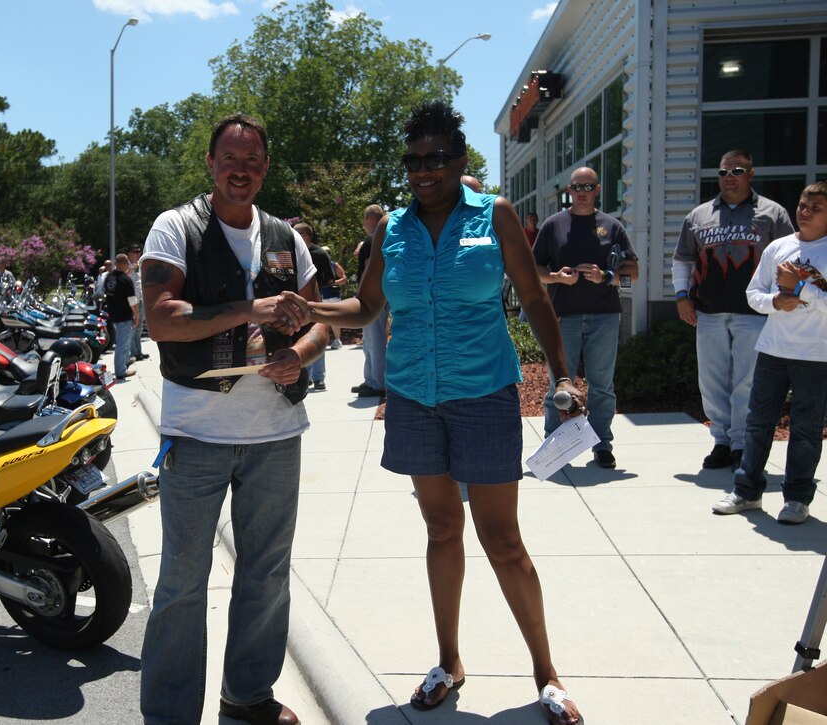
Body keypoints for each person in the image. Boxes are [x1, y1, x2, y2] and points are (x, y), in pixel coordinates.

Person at [282, 101, 583, 724]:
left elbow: (532, 297)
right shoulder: (391, 229)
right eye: (413, 161)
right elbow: (365, 309)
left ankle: (546, 674)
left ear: (460, 160)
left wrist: (562, 375)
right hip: (415, 398)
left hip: (483, 395)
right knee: (442, 532)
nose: (423, 172)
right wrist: (308, 310)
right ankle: (449, 660)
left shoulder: (493, 215)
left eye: (436, 159)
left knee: (503, 540)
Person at [139, 113, 326, 725]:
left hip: (275, 435)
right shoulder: (176, 228)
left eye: (251, 160)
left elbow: (323, 317)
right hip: (197, 434)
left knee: (266, 577)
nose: (239, 170)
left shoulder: (285, 237)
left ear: (265, 168)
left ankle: (247, 699)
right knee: (182, 583)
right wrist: (252, 308)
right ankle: (169, 714)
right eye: (229, 158)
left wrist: (297, 355)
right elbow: (161, 319)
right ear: (211, 165)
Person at [712, 181, 827, 524]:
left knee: (806, 428)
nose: (805, 212)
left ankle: (796, 498)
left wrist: (801, 288)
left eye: (815, 208)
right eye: (803, 205)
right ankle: (747, 491)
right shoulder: (779, 247)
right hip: (774, 349)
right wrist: (776, 300)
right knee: (758, 422)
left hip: (816, 355)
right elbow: (754, 294)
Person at [673, 150, 795, 470]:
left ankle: (741, 443)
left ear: (750, 174)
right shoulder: (699, 216)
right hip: (708, 313)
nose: (729, 177)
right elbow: (683, 260)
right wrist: (682, 297)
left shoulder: (772, 213)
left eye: (737, 171)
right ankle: (721, 441)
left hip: (754, 313)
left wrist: (783, 298)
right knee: (712, 380)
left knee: (747, 381)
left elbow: (790, 259)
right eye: (724, 172)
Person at [533, 167, 639, 469]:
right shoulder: (554, 226)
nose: (582, 191)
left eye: (588, 186)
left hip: (604, 317)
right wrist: (554, 277)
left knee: (602, 385)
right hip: (563, 317)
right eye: (577, 186)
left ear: (598, 189)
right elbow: (534, 270)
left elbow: (634, 277)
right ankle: (554, 444)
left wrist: (607, 277)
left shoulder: (612, 227)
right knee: (558, 384)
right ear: (569, 190)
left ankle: (602, 444)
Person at [352, 203, 388, 397]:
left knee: (374, 340)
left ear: (367, 219)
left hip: (373, 297)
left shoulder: (371, 240)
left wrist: (361, 297)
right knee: (375, 339)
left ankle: (377, 382)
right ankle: (372, 379)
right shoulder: (388, 237)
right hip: (388, 293)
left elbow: (369, 270)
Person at [294, 222, 331, 390]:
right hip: (294, 301)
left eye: (296, 233)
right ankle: (305, 376)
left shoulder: (320, 254)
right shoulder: (291, 250)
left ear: (305, 235)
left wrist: (312, 285)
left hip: (315, 301)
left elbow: (330, 277)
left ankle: (319, 377)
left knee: (316, 334)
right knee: (299, 338)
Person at [103, 254, 138, 380]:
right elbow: (132, 301)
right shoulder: (125, 280)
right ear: (124, 263)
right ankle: (120, 371)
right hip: (124, 315)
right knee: (122, 343)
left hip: (113, 314)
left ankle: (125, 361)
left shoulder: (109, 277)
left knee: (123, 341)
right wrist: (137, 315)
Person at [127, 246, 150, 362]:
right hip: (131, 300)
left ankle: (138, 351)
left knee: (139, 326)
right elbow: (122, 277)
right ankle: (132, 352)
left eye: (139, 252)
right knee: (133, 326)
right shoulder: (125, 264)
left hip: (140, 299)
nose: (138, 254)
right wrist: (130, 269)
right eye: (135, 252)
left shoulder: (139, 265)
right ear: (129, 253)